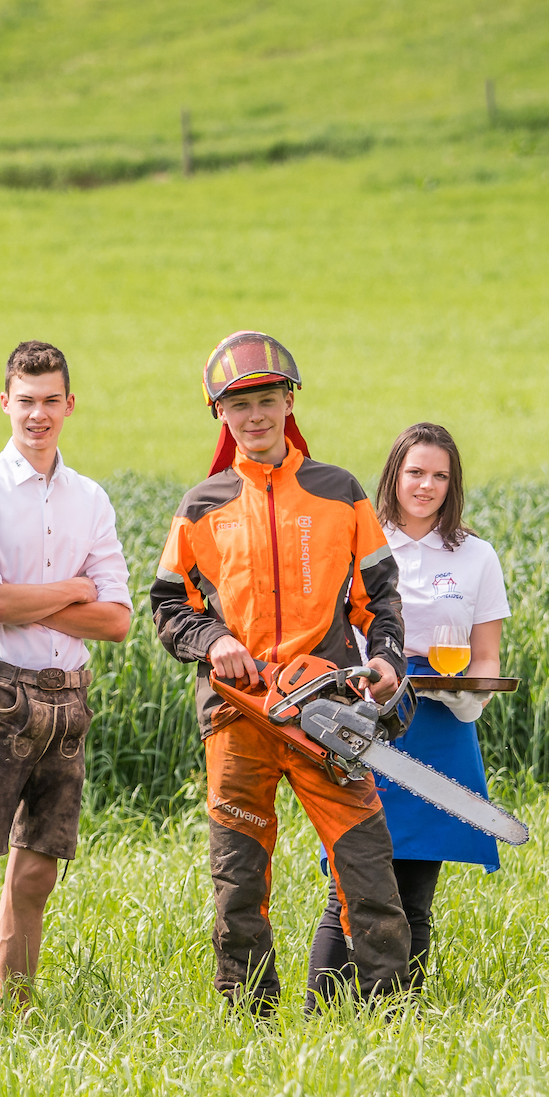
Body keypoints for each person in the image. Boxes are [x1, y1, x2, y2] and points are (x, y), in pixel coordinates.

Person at [149, 332, 414, 1014]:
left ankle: (386, 1005)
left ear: (288, 401)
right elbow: (169, 605)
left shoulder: (339, 492)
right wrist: (213, 642)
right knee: (237, 878)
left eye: (267, 400)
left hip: (324, 710)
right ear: (220, 413)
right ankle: (248, 1011)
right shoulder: (201, 505)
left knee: (367, 864)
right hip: (237, 715)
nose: (255, 416)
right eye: (240, 405)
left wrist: (384, 660)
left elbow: (380, 594)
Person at [0, 340, 131, 1005]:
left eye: (51, 400)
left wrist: (37, 597)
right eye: (26, 401)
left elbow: (116, 621)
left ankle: (17, 1007)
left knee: (37, 875)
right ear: (5, 403)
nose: (38, 414)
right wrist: (73, 590)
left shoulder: (91, 498)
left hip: (69, 701)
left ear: (70, 405)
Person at [320, 422, 509, 995]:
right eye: (416, 473)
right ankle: (319, 1009)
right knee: (349, 885)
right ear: (394, 476)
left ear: (453, 486)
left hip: (442, 725)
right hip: (366, 721)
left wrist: (466, 690)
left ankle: (400, 1015)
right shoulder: (360, 541)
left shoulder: (475, 556)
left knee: (417, 891)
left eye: (440, 476)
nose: (426, 485)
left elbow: (487, 659)